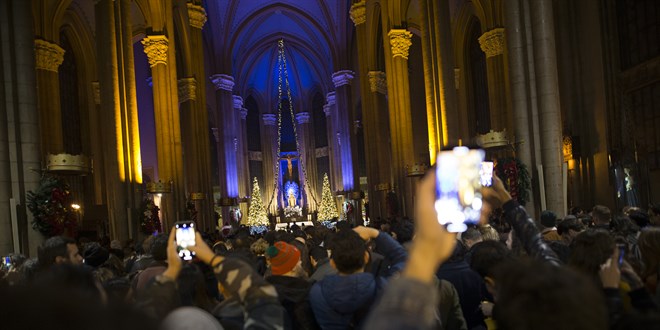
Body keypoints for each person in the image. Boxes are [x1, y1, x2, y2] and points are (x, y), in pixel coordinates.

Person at [309, 226, 407, 329]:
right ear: (366, 257)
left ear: (332, 263)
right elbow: (403, 258)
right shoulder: (382, 289)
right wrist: (375, 233)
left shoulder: (317, 292)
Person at [265, 241, 319, 329]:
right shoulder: (308, 292)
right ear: (293, 267)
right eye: (298, 261)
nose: (301, 263)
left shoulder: (263, 294)